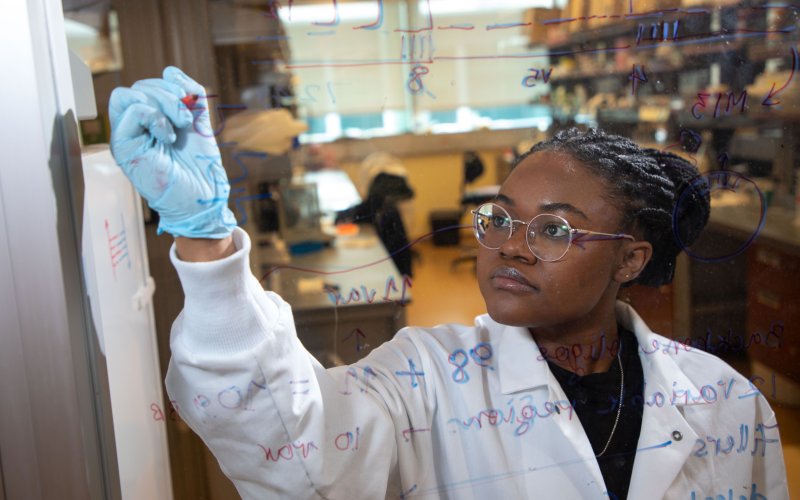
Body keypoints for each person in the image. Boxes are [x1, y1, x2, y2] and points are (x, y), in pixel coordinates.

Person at [109, 68, 788, 500]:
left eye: (553, 230)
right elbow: (294, 448)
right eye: (499, 219)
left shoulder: (727, 402)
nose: (509, 249)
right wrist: (206, 237)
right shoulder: (424, 376)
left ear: (631, 261)